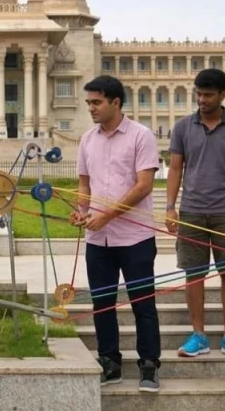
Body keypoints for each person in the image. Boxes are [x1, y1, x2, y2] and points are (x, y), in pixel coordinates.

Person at [69, 75, 162, 392]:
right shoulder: (87, 139)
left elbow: (144, 185)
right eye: (89, 103)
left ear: (116, 103)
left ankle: (149, 366)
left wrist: (106, 215)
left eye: (96, 102)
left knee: (143, 305)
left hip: (135, 238)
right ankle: (110, 363)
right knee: (103, 304)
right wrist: (82, 211)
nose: (91, 109)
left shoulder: (141, 136)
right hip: (98, 240)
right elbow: (84, 184)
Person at [166, 68, 225, 360]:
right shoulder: (182, 127)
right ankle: (198, 335)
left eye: (208, 95)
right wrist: (170, 207)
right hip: (191, 211)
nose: (202, 100)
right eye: (199, 94)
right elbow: (176, 168)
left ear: (223, 95)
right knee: (194, 275)